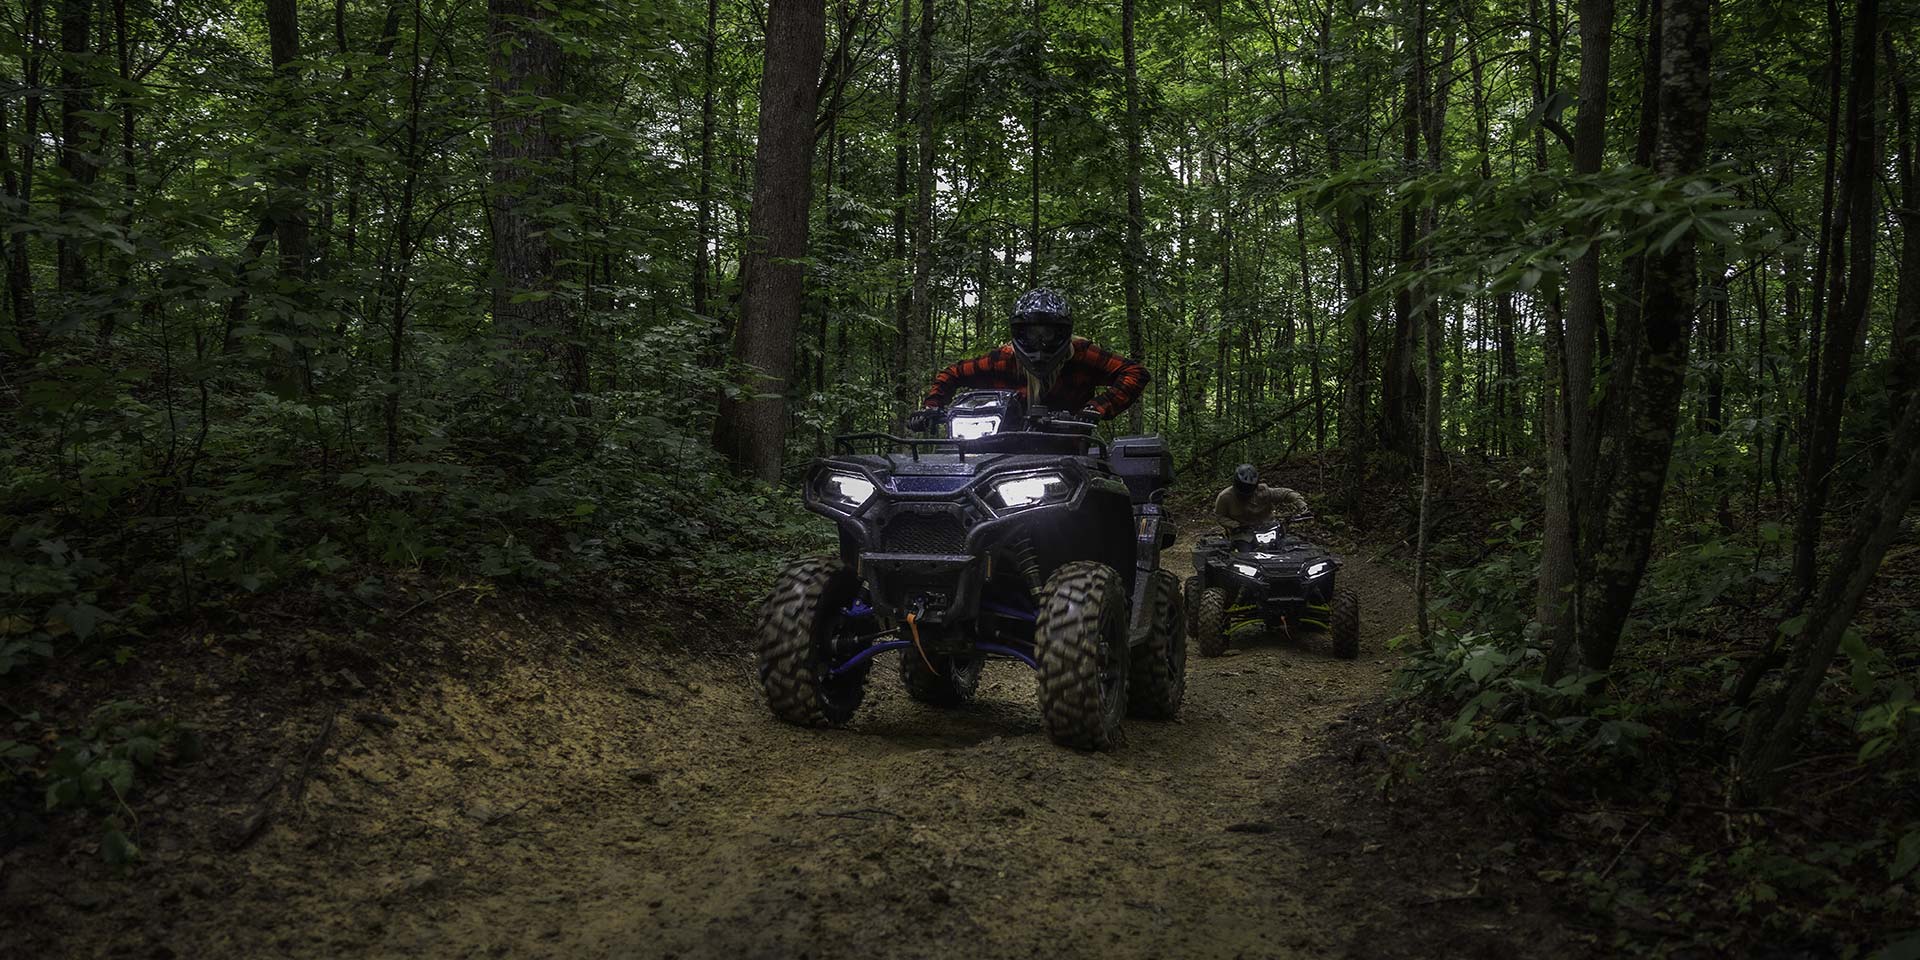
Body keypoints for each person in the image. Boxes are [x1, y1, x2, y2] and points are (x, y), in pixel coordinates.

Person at [906, 288, 1150, 431]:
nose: (1040, 341)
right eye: (1033, 333)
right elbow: (952, 374)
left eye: (1048, 333)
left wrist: (1096, 408)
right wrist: (932, 408)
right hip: (1004, 445)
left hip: (1070, 444)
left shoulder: (1081, 355)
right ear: (1020, 332)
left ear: (1062, 332)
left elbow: (1135, 373)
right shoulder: (1003, 361)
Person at [1214, 463, 1308, 533]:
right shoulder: (1225, 497)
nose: (1246, 489)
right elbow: (1220, 516)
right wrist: (1235, 525)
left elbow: (1286, 493)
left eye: (1250, 487)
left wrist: (1302, 505)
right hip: (1241, 532)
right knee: (1244, 548)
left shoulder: (1263, 492)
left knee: (1284, 544)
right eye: (1244, 486)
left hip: (1269, 528)